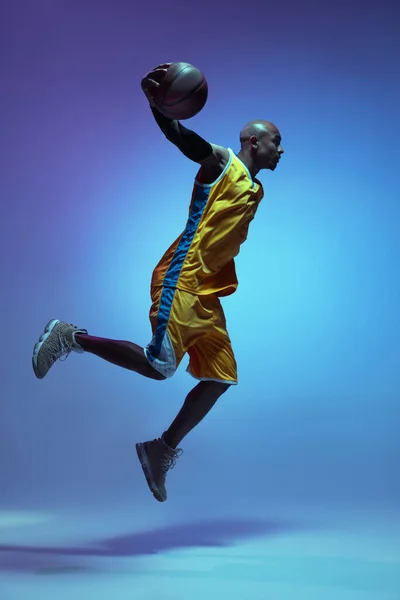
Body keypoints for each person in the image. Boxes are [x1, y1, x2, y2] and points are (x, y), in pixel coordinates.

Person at [32, 63, 284, 503]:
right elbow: (182, 139)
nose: (282, 150)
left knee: (221, 378)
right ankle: (71, 337)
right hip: (181, 279)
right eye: (276, 141)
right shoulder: (222, 163)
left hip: (207, 294)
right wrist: (159, 109)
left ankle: (160, 449)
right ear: (254, 141)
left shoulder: (255, 189)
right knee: (160, 366)